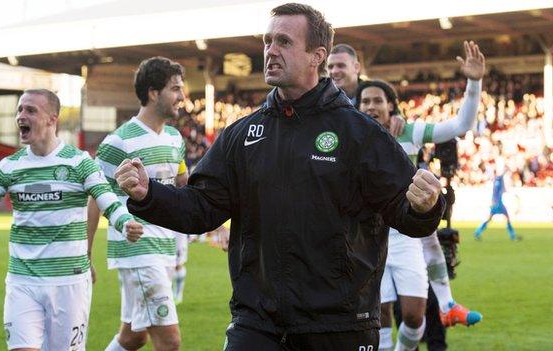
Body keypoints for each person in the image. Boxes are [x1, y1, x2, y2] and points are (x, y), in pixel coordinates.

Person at [115, 3, 445, 350]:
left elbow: (406, 213)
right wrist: (148, 194)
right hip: (257, 323)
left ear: (318, 55)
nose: (270, 51)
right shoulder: (243, 135)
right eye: (267, 41)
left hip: (339, 327)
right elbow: (202, 207)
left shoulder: (360, 134)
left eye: (284, 42)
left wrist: (425, 207)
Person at [0, 89, 143, 351]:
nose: (21, 115)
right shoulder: (10, 166)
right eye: (19, 109)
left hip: (69, 282)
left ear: (53, 119)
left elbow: (107, 199)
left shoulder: (80, 162)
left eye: (30, 110)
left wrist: (125, 222)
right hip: (23, 281)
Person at [355, 40, 485, 351]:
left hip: (404, 236)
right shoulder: (353, 135)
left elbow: (461, 124)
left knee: (413, 317)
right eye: (365, 102)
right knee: (380, 315)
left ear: (391, 106)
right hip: (369, 237)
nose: (370, 107)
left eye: (377, 101)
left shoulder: (409, 133)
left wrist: (474, 81)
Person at [87, 57, 187, 351]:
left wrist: (212, 225)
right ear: (154, 92)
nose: (182, 97)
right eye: (175, 89)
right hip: (138, 251)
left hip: (165, 247)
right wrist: (85, 252)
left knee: (133, 336)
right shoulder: (119, 142)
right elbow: (94, 196)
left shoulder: (174, 138)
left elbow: (183, 186)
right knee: (169, 341)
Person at [328, 43, 405, 136]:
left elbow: (393, 112)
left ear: (356, 67)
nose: (334, 71)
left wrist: (397, 116)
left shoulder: (376, 90)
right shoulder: (322, 99)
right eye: (330, 67)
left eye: (341, 66)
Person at [474, 168, 519, 240]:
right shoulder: (498, 181)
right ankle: (512, 235)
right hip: (498, 204)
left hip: (496, 203)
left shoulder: (496, 181)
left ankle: (478, 232)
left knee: (490, 218)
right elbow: (498, 191)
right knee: (506, 218)